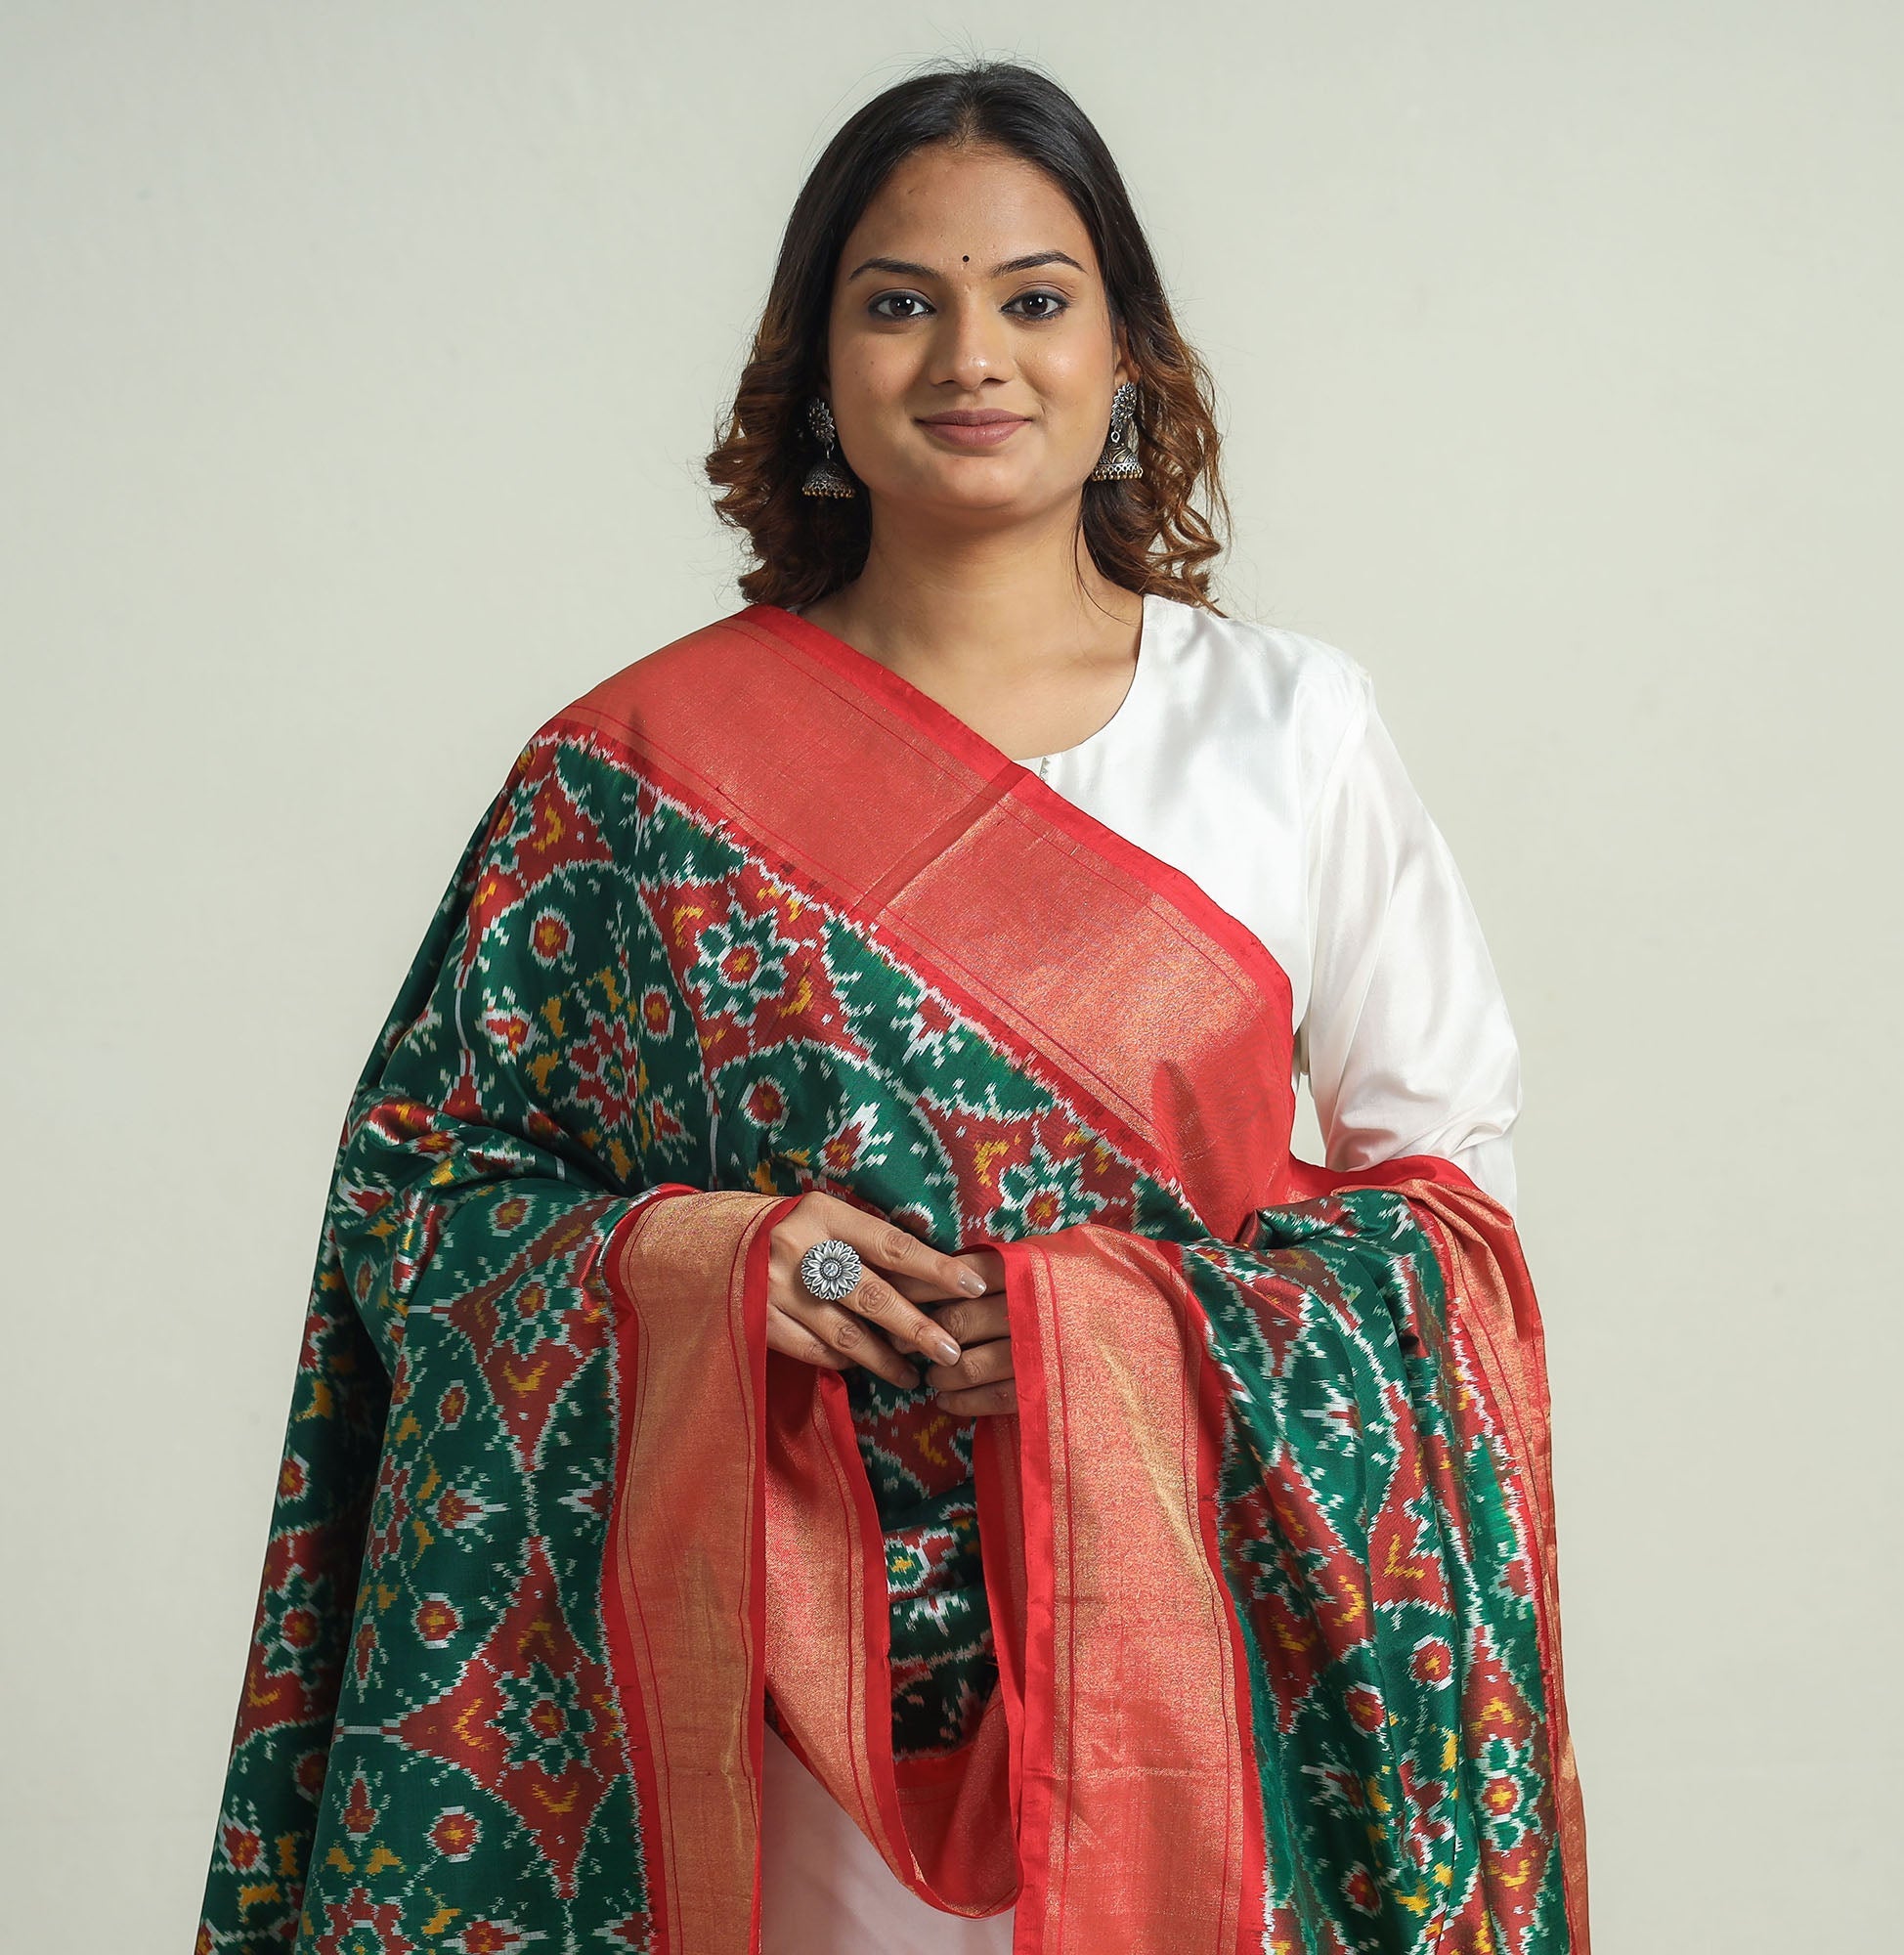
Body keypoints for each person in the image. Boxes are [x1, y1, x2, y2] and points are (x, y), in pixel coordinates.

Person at [196, 58, 1587, 1955]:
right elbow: (416, 1201)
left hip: (1188, 1684)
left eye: (1034, 298)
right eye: (899, 302)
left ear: (1125, 357)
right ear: (817, 369)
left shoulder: (1289, 735)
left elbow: (1450, 1223)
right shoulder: (636, 770)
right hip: (753, 1702)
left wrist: (1129, 1335)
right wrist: (709, 1270)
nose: (970, 357)